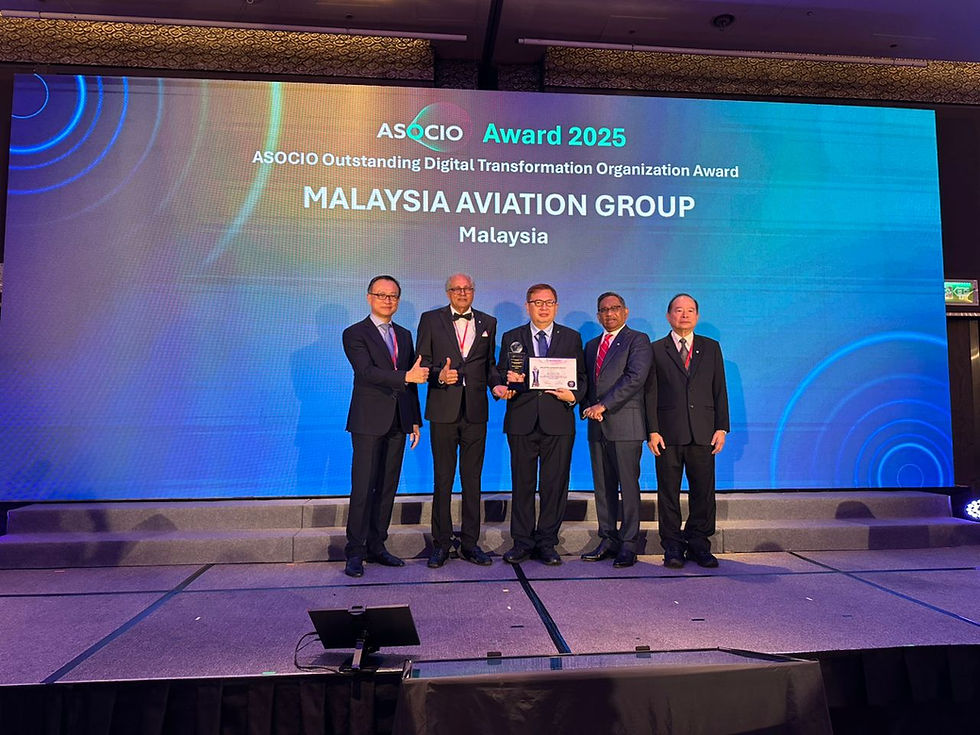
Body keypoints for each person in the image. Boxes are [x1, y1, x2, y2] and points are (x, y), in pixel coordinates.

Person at [341, 275, 428, 578]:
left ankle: (377, 546)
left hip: (399, 420)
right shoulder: (355, 333)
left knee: (388, 486)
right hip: (368, 420)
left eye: (393, 296)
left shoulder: (404, 334)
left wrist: (414, 419)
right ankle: (355, 551)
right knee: (363, 486)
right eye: (381, 295)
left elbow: (412, 380)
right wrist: (406, 377)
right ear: (369, 298)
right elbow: (366, 372)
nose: (387, 300)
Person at [493, 284, 586, 565]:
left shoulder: (571, 337)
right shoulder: (512, 337)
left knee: (554, 485)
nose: (543, 307)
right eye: (537, 302)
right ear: (527, 306)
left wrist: (574, 396)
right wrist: (505, 382)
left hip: (558, 420)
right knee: (522, 483)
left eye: (549, 302)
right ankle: (522, 542)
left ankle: (547, 542)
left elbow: (582, 377)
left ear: (556, 306)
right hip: (521, 419)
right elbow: (501, 373)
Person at [416, 273, 502, 568]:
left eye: (467, 288)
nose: (462, 293)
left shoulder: (488, 322)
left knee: (472, 479)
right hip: (443, 410)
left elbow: (490, 365)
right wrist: (439, 375)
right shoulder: (430, 319)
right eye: (456, 289)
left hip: (476, 412)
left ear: (473, 292)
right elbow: (422, 362)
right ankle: (441, 543)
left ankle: (470, 543)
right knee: (443, 478)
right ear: (448, 292)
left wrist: (497, 386)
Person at [644, 293, 730, 569]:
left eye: (690, 310)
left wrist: (721, 427)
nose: (684, 315)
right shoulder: (656, 349)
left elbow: (719, 389)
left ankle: (699, 544)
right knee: (668, 492)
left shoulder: (711, 347)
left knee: (703, 492)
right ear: (668, 316)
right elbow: (650, 394)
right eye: (679, 310)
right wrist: (652, 430)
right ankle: (672, 546)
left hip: (703, 432)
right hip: (667, 433)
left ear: (697, 316)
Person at [581, 292, 652, 568]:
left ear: (625, 311)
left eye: (614, 308)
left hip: (625, 424)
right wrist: (584, 404)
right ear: (598, 315)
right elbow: (587, 382)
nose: (609, 313)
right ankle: (608, 538)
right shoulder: (591, 345)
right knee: (603, 487)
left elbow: (635, 378)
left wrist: (604, 405)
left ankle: (629, 543)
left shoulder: (638, 340)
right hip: (596, 425)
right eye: (603, 310)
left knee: (628, 486)